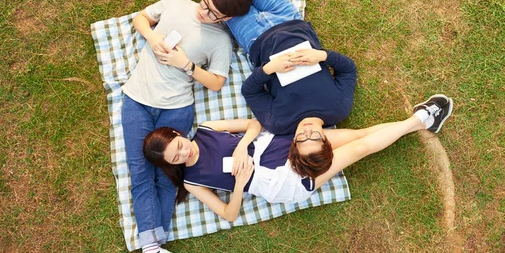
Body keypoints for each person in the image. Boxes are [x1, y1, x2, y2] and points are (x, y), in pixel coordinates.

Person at [148, 0, 358, 172]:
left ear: (293, 142)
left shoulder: (279, 123)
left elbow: (250, 90)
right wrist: (321, 56)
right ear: (326, 140)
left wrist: (270, 68)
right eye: (314, 137)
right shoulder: (339, 108)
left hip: (253, 37)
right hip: (288, 17)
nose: (306, 131)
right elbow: (348, 69)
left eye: (301, 139)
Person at [121, 0, 252, 253]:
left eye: (213, 14)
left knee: (169, 176)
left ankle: (152, 248)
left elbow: (218, 82)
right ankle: (153, 250)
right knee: (140, 170)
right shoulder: (178, 2)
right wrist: (151, 38)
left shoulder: (220, 41)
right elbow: (141, 17)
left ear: (227, 19)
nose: (204, 13)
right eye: (205, 4)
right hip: (137, 99)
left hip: (177, 108)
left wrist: (188, 66)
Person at [142, 95, 454, 221]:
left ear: (178, 134)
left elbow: (254, 125)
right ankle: (420, 121)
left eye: (179, 143)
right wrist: (238, 185)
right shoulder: (194, 181)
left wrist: (241, 146)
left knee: (357, 135)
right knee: (357, 151)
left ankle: (419, 121)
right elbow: (228, 214)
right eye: (177, 156)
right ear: (172, 164)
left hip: (278, 145)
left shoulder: (207, 129)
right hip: (278, 181)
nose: (185, 151)